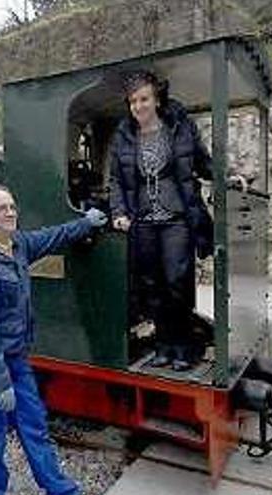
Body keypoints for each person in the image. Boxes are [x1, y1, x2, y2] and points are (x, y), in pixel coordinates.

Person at [0, 184, 107, 495]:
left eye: (12, 206)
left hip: (16, 359)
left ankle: (60, 489)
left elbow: (52, 237)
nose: (10, 213)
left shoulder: (17, 245)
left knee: (35, 427)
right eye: (0, 209)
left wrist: (85, 223)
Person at [109, 69, 214, 372]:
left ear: (156, 99)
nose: (138, 106)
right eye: (133, 101)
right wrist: (119, 213)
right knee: (151, 287)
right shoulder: (124, 135)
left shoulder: (179, 127)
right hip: (143, 220)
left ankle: (185, 347)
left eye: (144, 99)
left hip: (176, 219)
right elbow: (116, 180)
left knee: (176, 283)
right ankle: (163, 346)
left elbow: (203, 161)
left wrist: (225, 176)